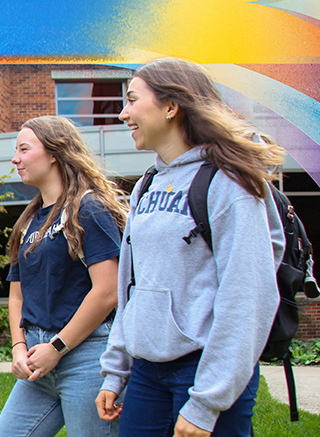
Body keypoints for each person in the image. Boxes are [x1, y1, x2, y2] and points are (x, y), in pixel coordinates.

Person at [96, 57, 285, 437]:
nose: (122, 113)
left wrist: (206, 401)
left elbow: (249, 293)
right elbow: (132, 288)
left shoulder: (227, 181)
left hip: (205, 368)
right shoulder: (146, 185)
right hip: (147, 371)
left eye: (132, 100)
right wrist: (116, 370)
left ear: (171, 106)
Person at [0, 116, 125, 437]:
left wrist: (57, 347)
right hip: (37, 362)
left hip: (86, 360)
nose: (15, 159)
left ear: (53, 152)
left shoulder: (88, 209)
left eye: (24, 149)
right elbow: (17, 295)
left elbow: (107, 291)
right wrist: (19, 348)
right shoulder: (28, 221)